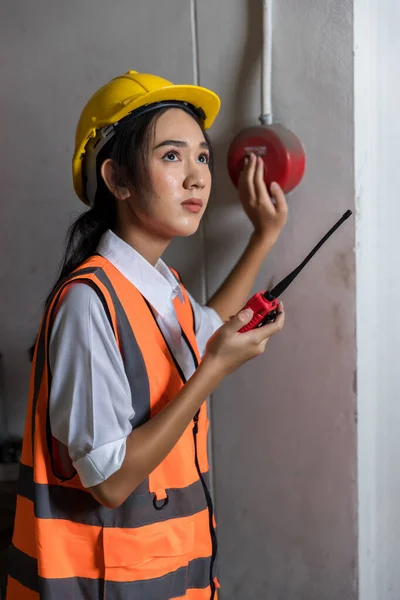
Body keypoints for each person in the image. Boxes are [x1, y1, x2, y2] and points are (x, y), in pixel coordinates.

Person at [7, 70, 287, 600]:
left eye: (202, 157)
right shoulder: (89, 303)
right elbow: (109, 483)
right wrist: (214, 371)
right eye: (171, 156)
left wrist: (262, 238)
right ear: (117, 180)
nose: (198, 178)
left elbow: (207, 327)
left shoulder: (160, 288)